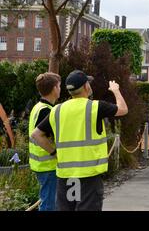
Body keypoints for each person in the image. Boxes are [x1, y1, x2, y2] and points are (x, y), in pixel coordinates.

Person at [32, 70, 128, 211]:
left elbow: (36, 135)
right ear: (86, 87)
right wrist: (116, 90)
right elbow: (123, 109)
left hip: (65, 178)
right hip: (88, 177)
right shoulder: (95, 107)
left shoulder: (57, 110)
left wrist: (54, 152)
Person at [28, 72, 61, 211]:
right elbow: (38, 136)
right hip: (47, 166)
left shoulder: (38, 107)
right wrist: (54, 152)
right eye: (59, 86)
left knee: (47, 202)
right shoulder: (46, 111)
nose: (60, 89)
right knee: (48, 205)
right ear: (54, 88)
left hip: (40, 165)